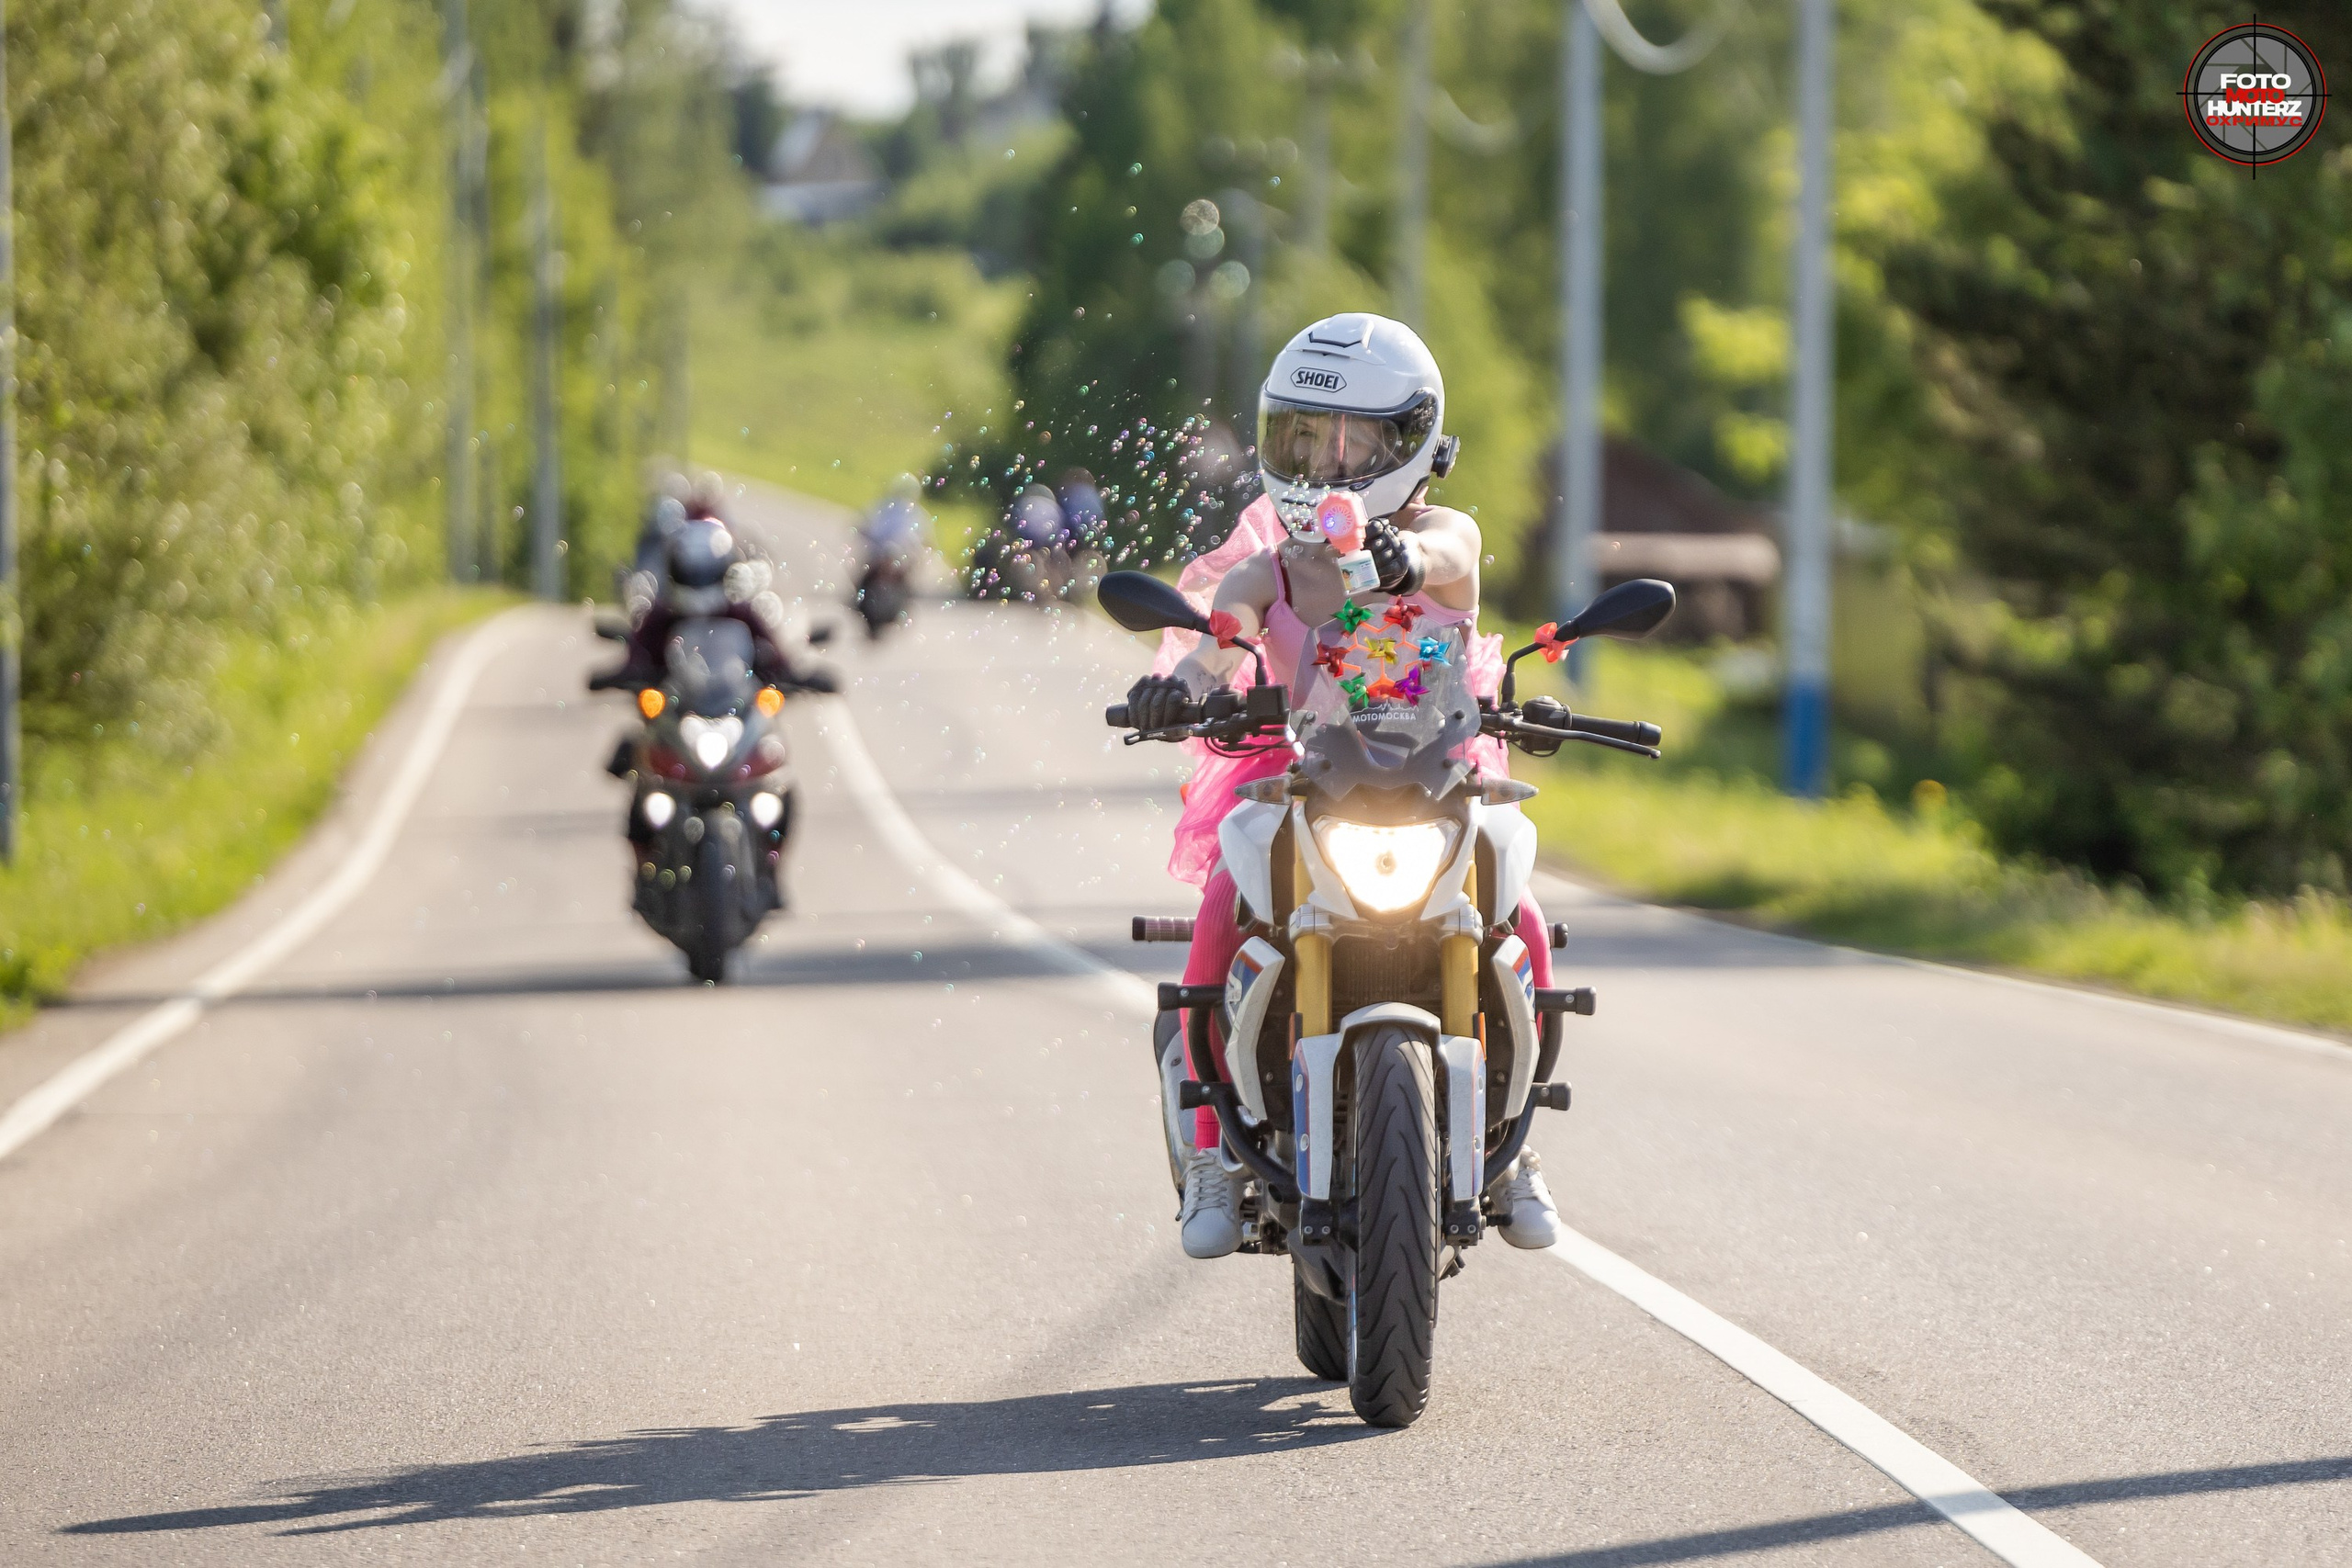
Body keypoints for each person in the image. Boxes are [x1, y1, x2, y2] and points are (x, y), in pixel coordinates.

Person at [1122, 311, 1564, 1259]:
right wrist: (1179, 687)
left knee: (1518, 914)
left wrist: (1403, 560)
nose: (1324, 460)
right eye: (1303, 437)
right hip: (1299, 776)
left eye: (1353, 439)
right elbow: (1219, 639)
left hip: (1434, 773)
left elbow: (1450, 557)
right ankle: (1211, 1153)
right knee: (1217, 909)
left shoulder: (1444, 536)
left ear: (1408, 444)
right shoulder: (1268, 567)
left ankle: (1519, 1145)